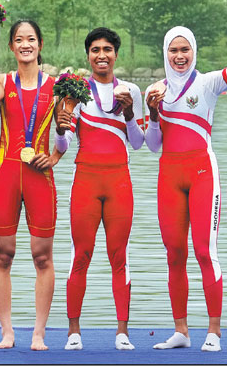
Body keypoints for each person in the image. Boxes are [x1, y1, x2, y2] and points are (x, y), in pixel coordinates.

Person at [145, 0, 227, 352]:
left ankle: (214, 330)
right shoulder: (156, 91)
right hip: (169, 175)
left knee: (204, 250)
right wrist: (152, 114)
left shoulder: (209, 83)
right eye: (173, 50)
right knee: (174, 253)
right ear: (166, 53)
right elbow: (152, 146)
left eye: (185, 50)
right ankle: (181, 331)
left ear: (193, 51)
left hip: (201, 172)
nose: (180, 56)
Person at [52, 28, 144, 351]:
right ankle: (73, 332)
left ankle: (122, 333)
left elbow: (137, 143)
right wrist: (61, 125)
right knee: (82, 254)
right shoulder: (76, 91)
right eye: (95, 50)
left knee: (120, 256)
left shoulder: (131, 90)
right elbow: (63, 143)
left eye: (107, 49)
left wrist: (130, 112)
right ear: (88, 55)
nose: (101, 55)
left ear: (116, 54)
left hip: (119, 181)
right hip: (86, 181)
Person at [0, 19, 61, 351]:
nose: (25, 44)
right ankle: (7, 331)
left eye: (31, 39)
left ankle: (39, 332)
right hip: (6, 175)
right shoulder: (2, 81)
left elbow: (69, 134)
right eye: (18, 40)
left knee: (42, 256)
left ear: (40, 44)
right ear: (11, 47)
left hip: (40, 175)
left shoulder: (56, 87)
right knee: (3, 255)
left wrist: (54, 157)